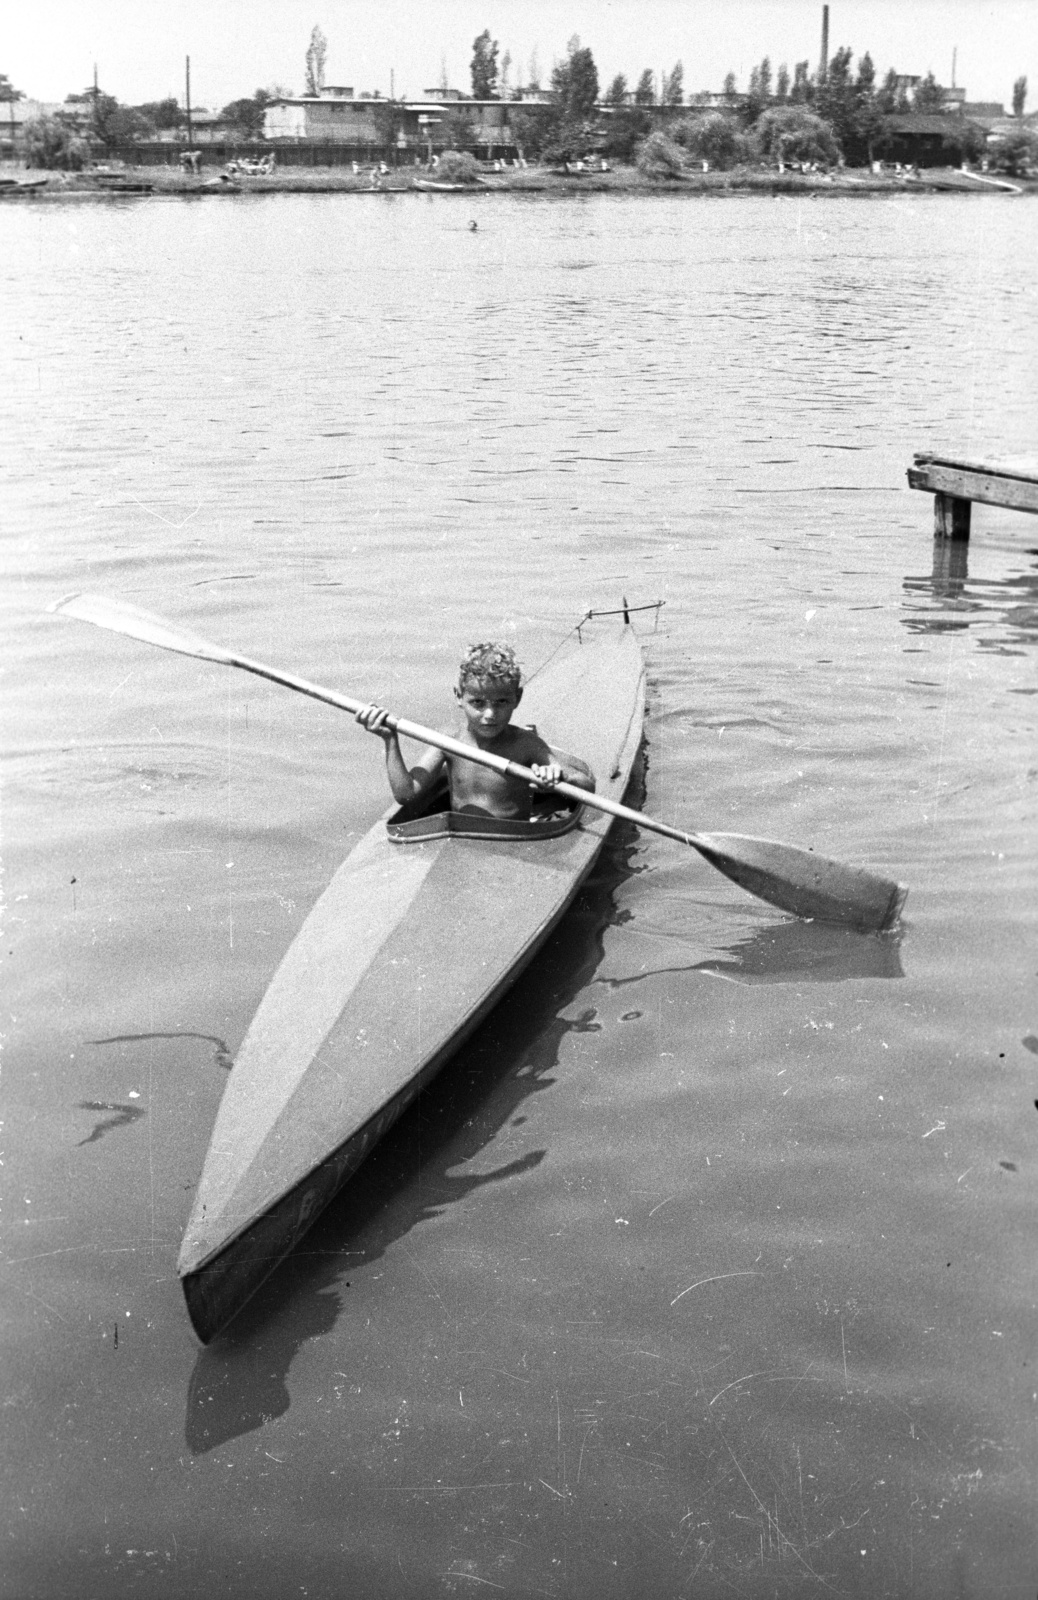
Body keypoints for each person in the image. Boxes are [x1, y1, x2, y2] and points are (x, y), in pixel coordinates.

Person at [356, 642, 595, 820]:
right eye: (478, 703)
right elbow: (406, 794)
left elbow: (587, 788)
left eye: (501, 702)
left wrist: (559, 777)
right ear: (459, 697)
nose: (490, 714)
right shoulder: (448, 741)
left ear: (517, 698)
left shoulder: (526, 744)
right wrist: (390, 740)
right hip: (462, 837)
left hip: (514, 838)